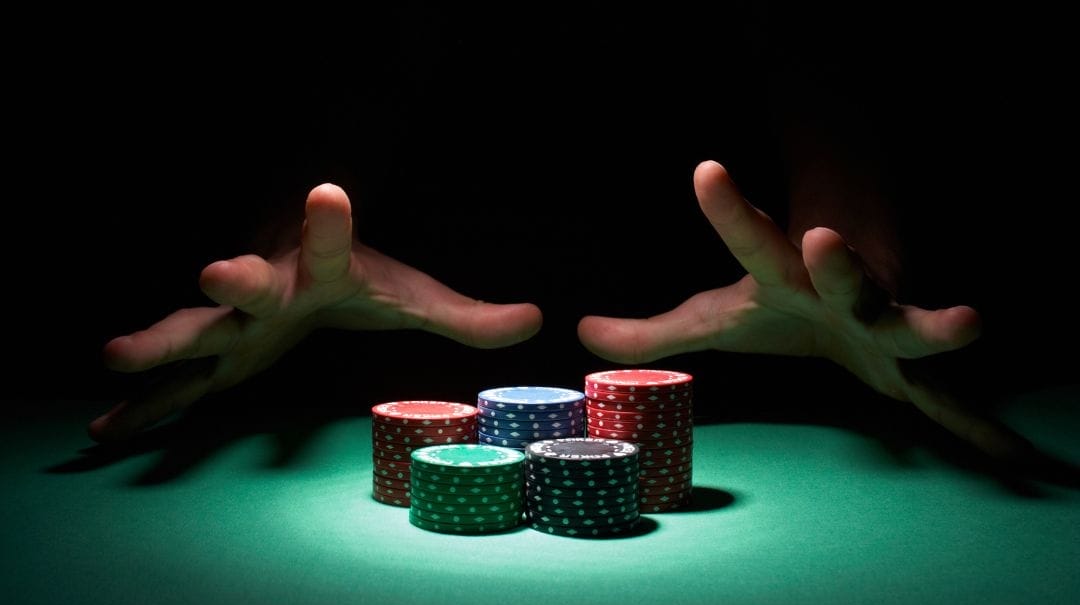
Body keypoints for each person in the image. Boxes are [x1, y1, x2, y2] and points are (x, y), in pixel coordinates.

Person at [88, 7, 1056, 467]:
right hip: (363, 350)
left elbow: (813, 59)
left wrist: (854, 260)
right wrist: (292, 253)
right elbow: (371, 68)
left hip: (770, 353)